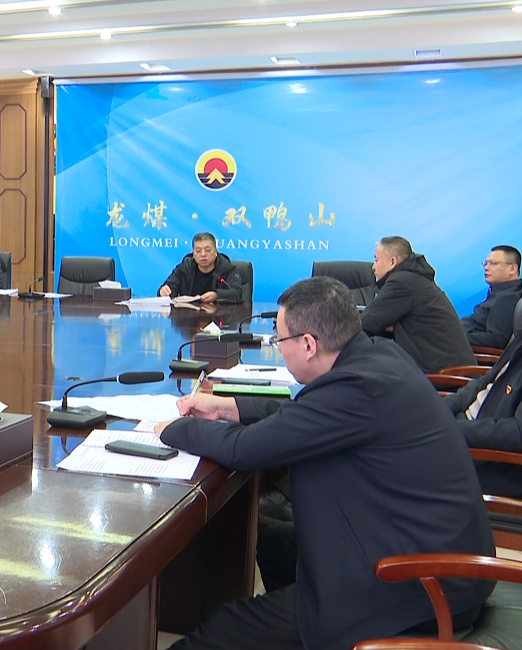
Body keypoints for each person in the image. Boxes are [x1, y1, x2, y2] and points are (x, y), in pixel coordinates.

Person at [156, 276, 495, 650]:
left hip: (421, 586)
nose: (278, 349)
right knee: (276, 545)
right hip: (424, 547)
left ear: (308, 344)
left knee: (221, 632)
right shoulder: (378, 357)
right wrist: (228, 408)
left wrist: (172, 429)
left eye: (279, 340)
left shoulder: (356, 388)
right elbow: (307, 417)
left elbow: (244, 449)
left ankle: (327, 626)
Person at [361, 235, 474, 373]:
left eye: (376, 260)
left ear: (392, 262)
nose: (373, 267)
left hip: (443, 375)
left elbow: (366, 322)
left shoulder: (401, 281)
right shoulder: (415, 278)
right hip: (453, 369)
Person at [446, 330, 522, 497]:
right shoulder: (519, 339)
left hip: (490, 459)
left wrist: (453, 429)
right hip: (465, 430)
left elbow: (517, 433)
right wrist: (442, 408)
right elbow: (484, 382)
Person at [461, 244, 522, 349]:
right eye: (485, 264)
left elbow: (496, 340)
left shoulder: (508, 298)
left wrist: (457, 336)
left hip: (469, 354)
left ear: (512, 269)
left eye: (493, 263)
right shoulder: (499, 292)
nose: (486, 268)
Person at [158, 232, 244, 302]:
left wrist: (216, 295)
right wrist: (163, 291)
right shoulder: (185, 267)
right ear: (193, 254)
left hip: (219, 315)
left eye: (207, 250)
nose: (203, 254)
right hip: (188, 316)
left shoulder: (227, 268)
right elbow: (169, 287)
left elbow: (236, 292)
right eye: (198, 251)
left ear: (216, 252)